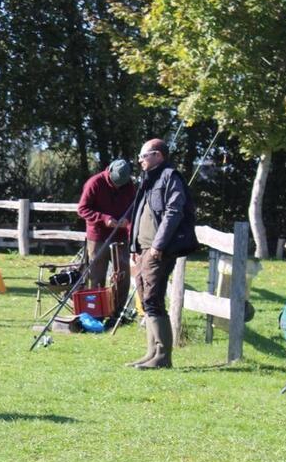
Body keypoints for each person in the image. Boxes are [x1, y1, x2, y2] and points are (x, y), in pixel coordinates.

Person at [128, 138, 198, 369]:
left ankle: (163, 355)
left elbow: (173, 212)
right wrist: (134, 248)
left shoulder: (171, 177)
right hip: (142, 249)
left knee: (153, 298)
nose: (140, 160)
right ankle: (151, 352)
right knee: (145, 298)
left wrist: (158, 245)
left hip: (158, 250)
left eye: (143, 155)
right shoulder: (148, 180)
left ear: (158, 155)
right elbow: (139, 214)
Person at [77, 158, 136, 313]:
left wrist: (128, 221)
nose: (118, 185)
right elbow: (82, 209)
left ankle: (118, 311)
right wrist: (104, 219)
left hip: (121, 236)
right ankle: (96, 311)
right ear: (109, 171)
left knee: (122, 275)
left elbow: (134, 208)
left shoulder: (129, 185)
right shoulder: (94, 183)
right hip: (98, 236)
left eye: (121, 183)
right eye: (115, 182)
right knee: (96, 275)